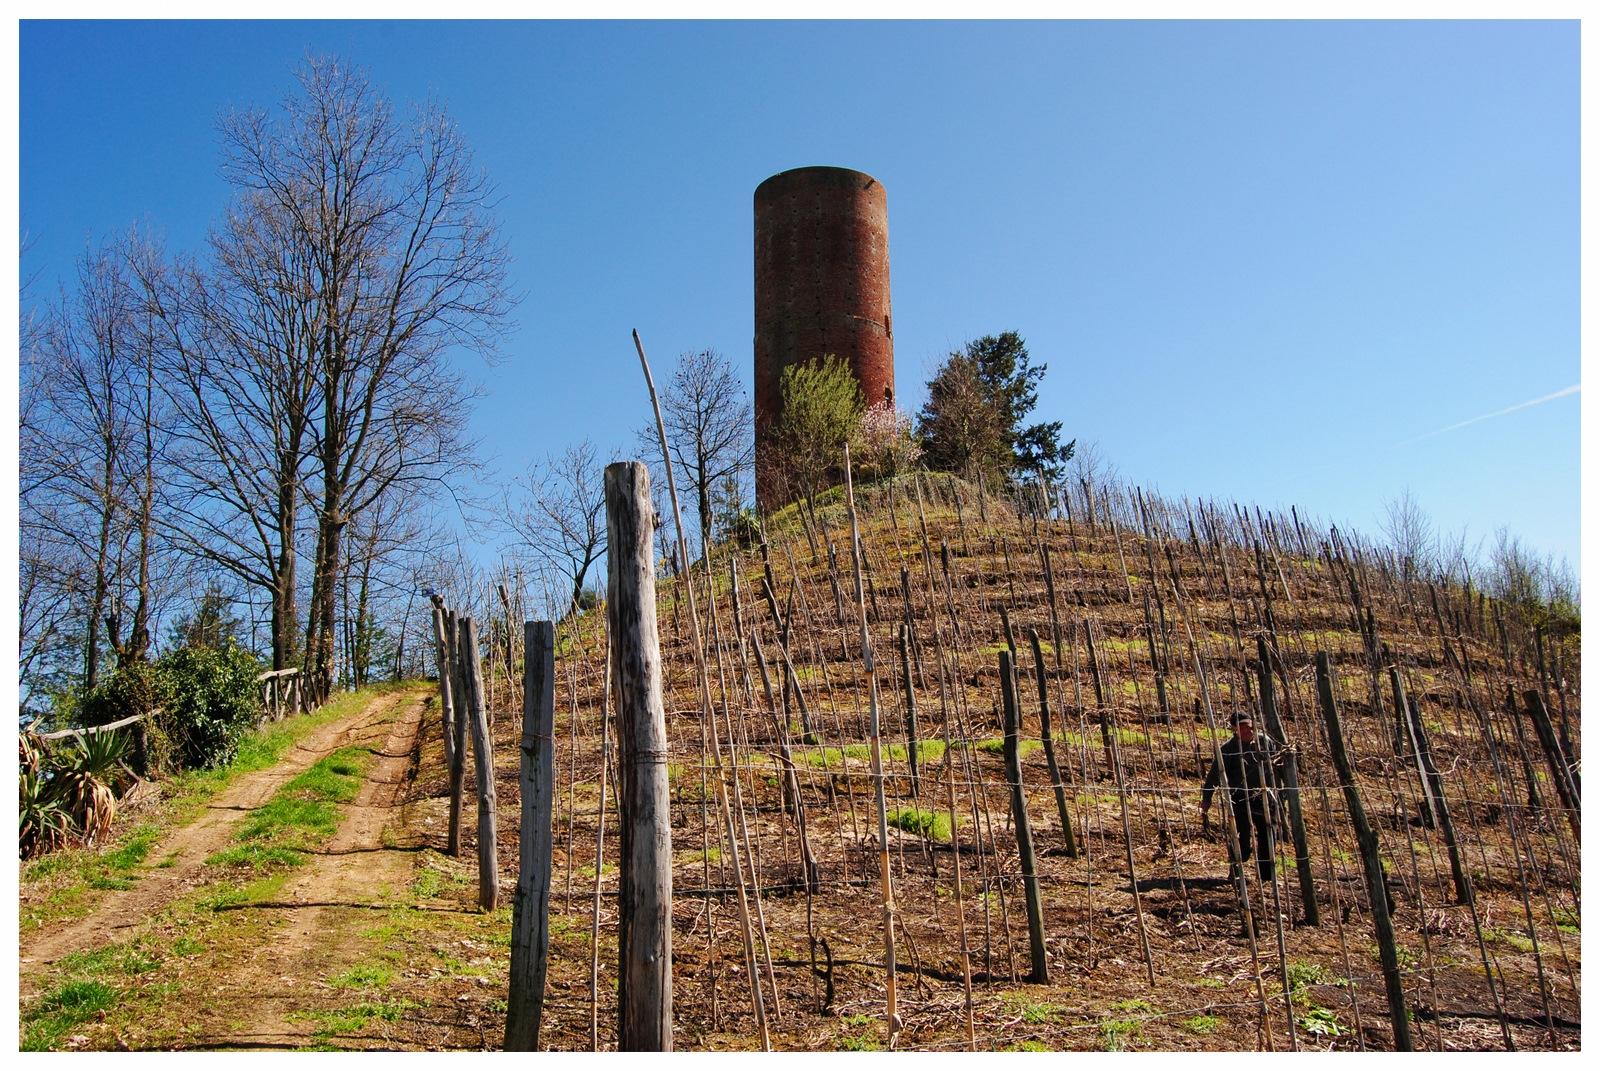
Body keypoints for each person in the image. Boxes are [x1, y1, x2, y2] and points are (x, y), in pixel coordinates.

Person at [1201, 709, 1283, 883]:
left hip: (1266, 796)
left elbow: (1279, 766)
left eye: (1249, 726)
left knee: (1268, 835)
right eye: (1242, 728)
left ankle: (1267, 876)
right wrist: (1207, 797)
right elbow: (1214, 774)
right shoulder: (1228, 749)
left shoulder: (1266, 742)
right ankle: (1237, 869)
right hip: (1240, 799)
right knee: (1242, 836)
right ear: (1234, 730)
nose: (1248, 730)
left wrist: (1283, 793)